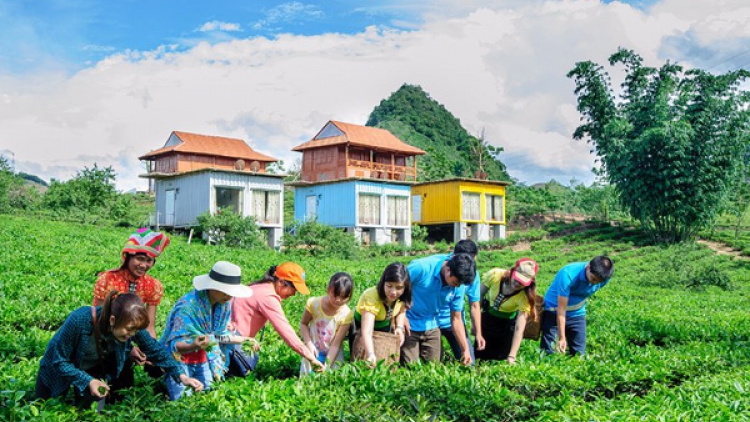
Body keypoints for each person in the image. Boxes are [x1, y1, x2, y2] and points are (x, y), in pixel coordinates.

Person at [36, 291, 203, 409]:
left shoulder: (130, 326)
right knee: (47, 407)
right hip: (55, 370)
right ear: (113, 319)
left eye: (135, 331)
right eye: (129, 330)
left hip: (90, 369)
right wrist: (88, 380)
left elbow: (156, 350)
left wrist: (181, 375)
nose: (132, 335)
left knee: (89, 409)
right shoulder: (80, 319)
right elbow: (59, 360)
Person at [159, 261, 255, 400]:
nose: (229, 296)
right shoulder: (188, 307)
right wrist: (193, 346)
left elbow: (216, 337)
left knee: (206, 398)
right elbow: (174, 345)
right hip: (179, 363)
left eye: (231, 293)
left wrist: (244, 340)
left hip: (202, 360)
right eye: (226, 291)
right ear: (212, 287)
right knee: (182, 401)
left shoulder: (223, 306)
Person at [93, 228, 170, 385]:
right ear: (127, 257)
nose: (144, 265)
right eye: (140, 259)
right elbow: (101, 323)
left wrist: (149, 351)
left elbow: (149, 327)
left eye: (149, 261)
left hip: (128, 337)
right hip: (105, 344)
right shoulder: (107, 280)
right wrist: (128, 349)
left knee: (126, 388)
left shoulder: (152, 285)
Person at [231, 262, 325, 372]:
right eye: (294, 289)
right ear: (281, 282)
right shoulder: (267, 297)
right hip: (231, 345)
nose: (294, 294)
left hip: (230, 340)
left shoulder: (259, 287)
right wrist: (310, 358)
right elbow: (286, 331)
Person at [402, 253, 476, 366]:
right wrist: (401, 315)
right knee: (410, 366)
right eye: (456, 282)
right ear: (447, 269)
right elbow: (396, 289)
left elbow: (456, 319)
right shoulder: (420, 268)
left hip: (432, 325)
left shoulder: (458, 286)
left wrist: (465, 349)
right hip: (409, 324)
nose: (457, 287)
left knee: (434, 367)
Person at [540, 255, 614, 356]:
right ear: (588, 267)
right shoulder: (568, 274)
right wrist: (562, 337)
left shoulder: (604, 278)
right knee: (549, 351)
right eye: (593, 279)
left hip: (577, 313)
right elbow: (561, 310)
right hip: (554, 310)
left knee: (579, 354)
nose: (594, 284)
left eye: (598, 281)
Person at [475, 258, 539, 364]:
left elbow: (519, 328)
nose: (518, 284)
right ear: (513, 271)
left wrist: (512, 356)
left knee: (500, 359)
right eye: (517, 279)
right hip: (487, 320)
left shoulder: (525, 296)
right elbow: (478, 296)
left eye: (522, 282)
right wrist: (476, 325)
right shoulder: (495, 275)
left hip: (506, 326)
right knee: (480, 357)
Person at [351, 262, 412, 366]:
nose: (393, 292)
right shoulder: (371, 296)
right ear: (383, 282)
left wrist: (399, 327)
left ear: (405, 287)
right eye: (389, 286)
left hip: (384, 323)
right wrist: (370, 354)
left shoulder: (402, 296)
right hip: (361, 325)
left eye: (398, 288)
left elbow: (401, 310)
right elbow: (367, 330)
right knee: (361, 357)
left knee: (383, 356)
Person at [437, 239, 484, 364]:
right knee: (433, 362)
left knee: (468, 362)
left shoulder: (473, 273)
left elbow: (474, 304)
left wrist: (478, 332)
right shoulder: (442, 266)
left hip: (455, 320)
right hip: (431, 321)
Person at [299, 272, 354, 375]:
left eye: (343, 297)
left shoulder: (347, 314)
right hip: (313, 350)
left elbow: (336, 344)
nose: (338, 300)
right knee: (307, 382)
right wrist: (309, 344)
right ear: (328, 289)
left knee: (329, 384)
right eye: (335, 295)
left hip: (333, 355)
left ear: (349, 297)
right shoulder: (313, 303)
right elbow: (303, 324)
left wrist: (327, 365)